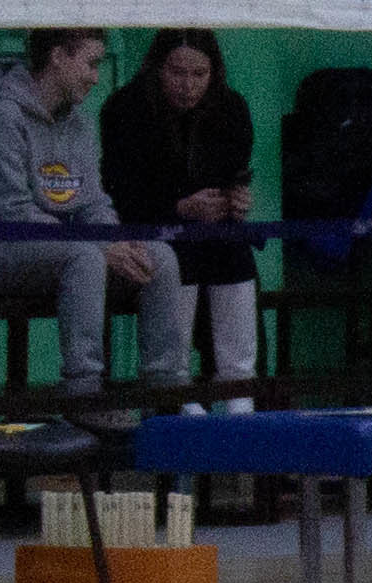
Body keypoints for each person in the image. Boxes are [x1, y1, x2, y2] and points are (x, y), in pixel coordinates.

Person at [0, 28, 190, 412]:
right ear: (58, 57)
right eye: (90, 64)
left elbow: (93, 205)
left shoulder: (81, 125)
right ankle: (84, 392)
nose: (96, 77)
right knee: (84, 258)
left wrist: (115, 243)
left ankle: (166, 393)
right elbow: (12, 213)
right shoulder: (0, 117)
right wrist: (99, 248)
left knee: (158, 258)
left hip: (56, 246)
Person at [105, 29, 263, 405]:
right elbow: (118, 193)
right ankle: (174, 389)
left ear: (214, 73)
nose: (188, 86)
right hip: (153, 230)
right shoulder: (125, 109)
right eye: (177, 72)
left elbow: (235, 175)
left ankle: (240, 387)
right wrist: (178, 207)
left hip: (214, 232)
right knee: (175, 257)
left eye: (199, 74)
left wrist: (236, 200)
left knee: (236, 252)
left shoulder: (231, 109)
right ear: (157, 69)